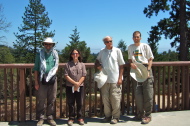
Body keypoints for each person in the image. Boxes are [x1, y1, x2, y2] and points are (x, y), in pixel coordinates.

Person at [95, 36, 125, 124]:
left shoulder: (117, 51)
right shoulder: (102, 51)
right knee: (105, 99)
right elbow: (97, 61)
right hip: (104, 79)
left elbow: (121, 65)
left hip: (115, 80)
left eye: (111, 41)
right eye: (107, 42)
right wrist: (99, 67)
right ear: (104, 43)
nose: (109, 43)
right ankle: (107, 116)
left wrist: (120, 78)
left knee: (115, 99)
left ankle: (116, 117)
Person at [128, 31, 154, 124]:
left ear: (140, 38)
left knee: (148, 93)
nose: (136, 38)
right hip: (136, 71)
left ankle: (148, 115)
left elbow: (150, 59)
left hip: (146, 69)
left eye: (137, 37)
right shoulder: (130, 47)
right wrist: (131, 64)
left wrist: (148, 70)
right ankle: (140, 114)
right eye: (134, 37)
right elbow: (130, 59)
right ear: (132, 38)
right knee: (138, 94)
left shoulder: (145, 46)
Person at [34, 37, 59, 126]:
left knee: (52, 99)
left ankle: (50, 117)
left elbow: (56, 66)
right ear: (44, 45)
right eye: (46, 44)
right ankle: (40, 118)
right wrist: (36, 82)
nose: (48, 46)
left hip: (52, 79)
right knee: (41, 99)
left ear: (52, 45)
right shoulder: (39, 54)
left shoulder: (55, 54)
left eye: (49, 44)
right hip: (42, 79)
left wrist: (51, 75)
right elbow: (36, 68)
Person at [64, 49, 87, 126]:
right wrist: (75, 83)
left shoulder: (82, 65)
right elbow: (66, 75)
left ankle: (80, 117)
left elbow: (84, 75)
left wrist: (78, 84)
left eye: (76, 53)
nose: (75, 55)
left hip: (80, 86)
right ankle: (71, 118)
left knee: (80, 102)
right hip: (70, 86)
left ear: (79, 55)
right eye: (73, 53)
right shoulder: (67, 64)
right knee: (71, 103)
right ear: (71, 55)